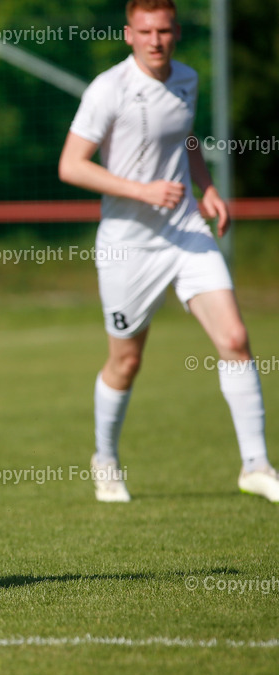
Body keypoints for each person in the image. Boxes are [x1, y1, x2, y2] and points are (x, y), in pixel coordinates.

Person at [58, 0, 274, 502]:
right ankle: (105, 461)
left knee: (236, 337)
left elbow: (184, 138)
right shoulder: (107, 90)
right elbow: (72, 165)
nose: (156, 40)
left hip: (186, 232)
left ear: (176, 33)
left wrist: (207, 186)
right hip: (128, 246)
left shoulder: (188, 79)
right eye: (146, 31)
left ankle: (256, 465)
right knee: (127, 362)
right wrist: (142, 190)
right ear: (129, 34)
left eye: (165, 30)